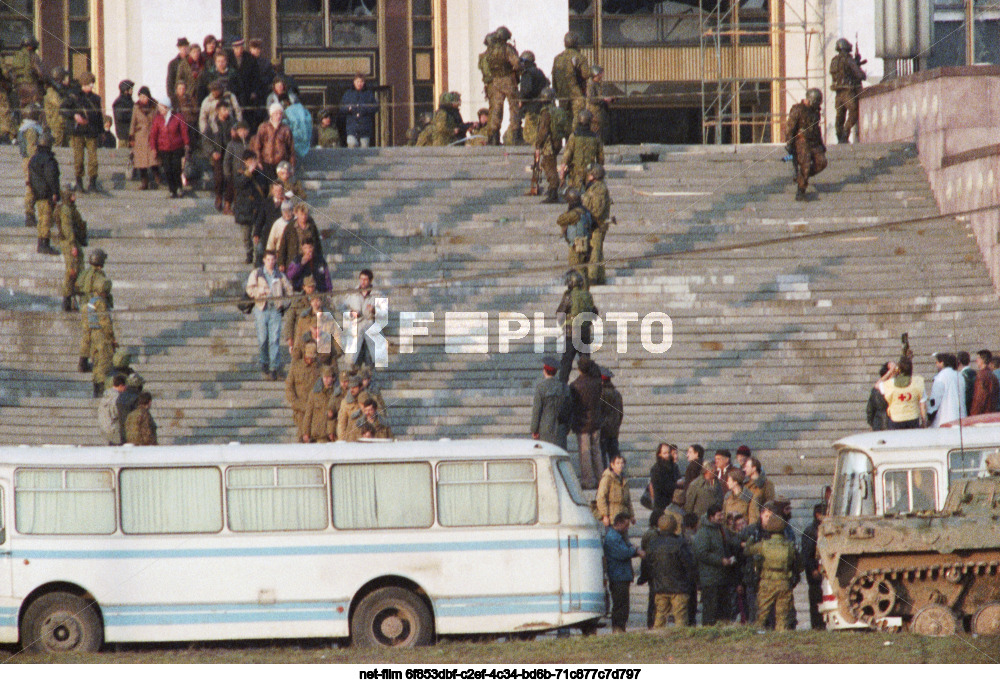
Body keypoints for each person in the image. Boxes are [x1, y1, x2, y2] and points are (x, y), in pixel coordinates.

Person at [745, 512, 801, 631]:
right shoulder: (789, 546)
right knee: (782, 619)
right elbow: (799, 565)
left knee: (761, 617)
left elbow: (747, 551)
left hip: (767, 583)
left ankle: (759, 641)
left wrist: (750, 537)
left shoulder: (763, 545)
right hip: (784, 583)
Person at [246, 250, 294, 381]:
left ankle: (274, 367)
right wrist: (260, 291)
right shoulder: (257, 273)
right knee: (263, 338)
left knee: (274, 339)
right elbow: (249, 289)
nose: (271, 262)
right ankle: (264, 361)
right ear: (264, 260)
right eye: (268, 259)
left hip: (275, 310)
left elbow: (289, 290)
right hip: (262, 308)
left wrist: (284, 303)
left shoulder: (279, 275)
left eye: (273, 260)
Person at [647, 514, 696, 629]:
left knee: (659, 619)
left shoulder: (653, 543)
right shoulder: (680, 543)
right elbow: (689, 565)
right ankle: (680, 644)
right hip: (679, 588)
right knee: (680, 620)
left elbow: (649, 565)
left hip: (660, 587)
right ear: (675, 527)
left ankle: (656, 643)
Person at [692, 503, 737, 626]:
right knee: (711, 611)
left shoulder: (722, 529)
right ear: (711, 517)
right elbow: (701, 553)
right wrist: (720, 560)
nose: (722, 517)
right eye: (719, 515)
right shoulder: (704, 532)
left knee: (724, 611)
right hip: (710, 579)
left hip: (723, 578)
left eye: (722, 514)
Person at [603, 513, 643, 633]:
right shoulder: (612, 537)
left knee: (624, 605)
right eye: (626, 526)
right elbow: (623, 553)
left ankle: (621, 628)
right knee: (620, 605)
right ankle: (618, 629)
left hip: (623, 575)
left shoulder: (620, 536)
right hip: (617, 576)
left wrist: (633, 549)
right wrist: (635, 550)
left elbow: (628, 547)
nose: (627, 528)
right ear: (618, 523)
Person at [785, 88, 827, 201]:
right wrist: (789, 142)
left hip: (814, 141)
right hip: (801, 141)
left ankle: (802, 176)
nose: (818, 104)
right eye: (817, 101)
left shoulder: (815, 111)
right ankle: (801, 190)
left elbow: (817, 129)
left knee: (822, 162)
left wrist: (821, 144)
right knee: (805, 165)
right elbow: (790, 127)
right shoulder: (798, 109)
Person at [340, 268, 387, 369]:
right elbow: (342, 308)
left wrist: (374, 311)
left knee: (370, 360)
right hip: (356, 328)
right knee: (353, 360)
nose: (362, 282)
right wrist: (351, 314)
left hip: (370, 327)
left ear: (370, 280)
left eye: (365, 279)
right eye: (361, 279)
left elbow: (384, 313)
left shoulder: (378, 294)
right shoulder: (352, 293)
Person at [569, 355, 603, 489]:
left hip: (582, 423)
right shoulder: (597, 383)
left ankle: (588, 480)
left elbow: (573, 405)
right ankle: (601, 478)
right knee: (597, 451)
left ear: (579, 369)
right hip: (596, 421)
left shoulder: (575, 385)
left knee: (585, 453)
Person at [483, 27, 521, 145]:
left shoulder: (490, 50)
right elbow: (516, 63)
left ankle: (493, 137)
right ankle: (516, 135)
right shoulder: (507, 49)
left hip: (495, 82)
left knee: (496, 109)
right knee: (514, 107)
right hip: (508, 79)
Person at [149, 94, 190, 198]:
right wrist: (153, 148)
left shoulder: (178, 117)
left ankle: (179, 187)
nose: (159, 109)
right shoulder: (158, 119)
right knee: (167, 169)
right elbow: (153, 134)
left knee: (176, 168)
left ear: (166, 107)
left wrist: (186, 143)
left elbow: (184, 131)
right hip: (164, 148)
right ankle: (172, 189)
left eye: (161, 107)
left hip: (176, 147)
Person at [27, 128, 61, 256]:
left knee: (41, 219)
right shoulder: (48, 160)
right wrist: (55, 192)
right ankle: (44, 244)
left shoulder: (34, 159)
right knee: (46, 220)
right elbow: (51, 177)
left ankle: (41, 243)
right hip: (46, 194)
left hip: (38, 193)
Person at [533, 88, 570, 203]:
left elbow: (543, 130)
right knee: (549, 162)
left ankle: (553, 191)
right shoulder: (559, 111)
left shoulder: (546, 112)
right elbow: (566, 127)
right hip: (558, 141)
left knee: (548, 165)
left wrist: (538, 144)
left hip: (549, 142)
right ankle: (553, 189)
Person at [55, 182, 88, 311]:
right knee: (72, 270)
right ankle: (67, 301)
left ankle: (72, 300)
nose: (75, 196)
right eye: (72, 194)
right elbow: (67, 229)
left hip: (73, 242)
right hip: (70, 243)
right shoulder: (66, 210)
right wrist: (73, 245)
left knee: (77, 269)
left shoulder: (70, 208)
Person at [68, 72, 102, 192]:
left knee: (93, 158)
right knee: (79, 158)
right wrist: (74, 115)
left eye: (92, 83)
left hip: (91, 131)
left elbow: (99, 116)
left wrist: (101, 132)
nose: (92, 86)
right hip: (78, 132)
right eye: (89, 84)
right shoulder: (73, 96)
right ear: (83, 84)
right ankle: (79, 182)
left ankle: (92, 182)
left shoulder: (96, 98)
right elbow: (63, 110)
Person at [829, 38, 866, 144]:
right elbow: (859, 74)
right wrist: (860, 70)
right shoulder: (848, 59)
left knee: (840, 115)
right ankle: (845, 133)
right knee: (854, 111)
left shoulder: (834, 60)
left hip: (838, 93)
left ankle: (839, 136)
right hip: (848, 92)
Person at [233, 150, 267, 264]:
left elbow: (265, 189)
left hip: (257, 209)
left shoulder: (261, 173)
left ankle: (258, 255)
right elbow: (239, 184)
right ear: (245, 162)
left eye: (254, 160)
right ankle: (249, 253)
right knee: (246, 236)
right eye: (249, 161)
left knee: (257, 234)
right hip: (244, 209)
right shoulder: (240, 173)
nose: (252, 162)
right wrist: (248, 172)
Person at [530, 355, 570, 449]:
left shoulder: (541, 387)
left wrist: (534, 430)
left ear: (544, 370)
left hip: (545, 429)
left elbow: (537, 410)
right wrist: (566, 428)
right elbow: (569, 410)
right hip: (560, 429)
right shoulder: (564, 387)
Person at [582, 163, 612, 285]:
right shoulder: (593, 187)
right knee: (598, 251)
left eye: (590, 173)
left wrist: (590, 220)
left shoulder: (599, 189)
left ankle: (592, 277)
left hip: (597, 224)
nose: (588, 175)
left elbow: (598, 210)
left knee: (594, 250)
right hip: (594, 222)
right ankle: (600, 276)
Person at [876, 357, 926, 428]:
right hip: (913, 419)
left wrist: (890, 371)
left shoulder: (890, 384)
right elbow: (922, 405)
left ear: (898, 370)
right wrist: (924, 421)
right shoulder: (918, 382)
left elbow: (877, 385)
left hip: (896, 419)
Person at [557, 189, 593, 287]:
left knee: (577, 269)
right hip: (584, 243)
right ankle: (585, 290)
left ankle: (581, 292)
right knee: (583, 269)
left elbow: (560, 220)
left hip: (576, 245)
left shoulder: (574, 214)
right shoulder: (585, 211)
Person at [560, 110, 604, 190]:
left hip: (576, 172)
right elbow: (600, 157)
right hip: (591, 171)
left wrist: (563, 170)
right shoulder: (596, 137)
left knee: (575, 194)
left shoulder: (574, 136)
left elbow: (567, 154)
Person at [87, 280, 116, 398]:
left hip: (94, 333)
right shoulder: (101, 302)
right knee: (104, 360)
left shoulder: (92, 300)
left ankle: (96, 386)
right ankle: (100, 388)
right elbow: (105, 321)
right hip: (102, 334)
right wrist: (111, 337)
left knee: (97, 361)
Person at [204, 99, 235, 211]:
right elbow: (206, 140)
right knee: (219, 178)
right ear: (218, 111)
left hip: (230, 156)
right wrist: (212, 152)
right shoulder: (212, 124)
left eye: (227, 109)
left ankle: (228, 203)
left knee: (230, 179)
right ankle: (218, 196)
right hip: (218, 156)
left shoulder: (233, 123)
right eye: (224, 109)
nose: (226, 111)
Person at [287, 342, 321, 441]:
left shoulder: (319, 367)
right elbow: (289, 386)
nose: (310, 360)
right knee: (302, 436)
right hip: (300, 408)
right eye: (308, 357)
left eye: (312, 358)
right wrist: (295, 402)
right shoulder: (296, 367)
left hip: (315, 408)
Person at [552, 31, 589, 121]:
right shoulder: (580, 57)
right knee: (579, 121)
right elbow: (586, 75)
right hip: (576, 95)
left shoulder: (557, 58)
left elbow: (554, 78)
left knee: (564, 121)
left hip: (562, 96)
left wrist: (556, 92)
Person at [252, 102, 296, 178]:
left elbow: (291, 149)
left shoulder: (286, 129)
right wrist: (258, 161)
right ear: (271, 114)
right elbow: (257, 146)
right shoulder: (263, 127)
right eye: (276, 113)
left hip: (281, 163)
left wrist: (292, 165)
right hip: (266, 163)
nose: (278, 116)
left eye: (280, 114)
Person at [18, 103, 44, 228]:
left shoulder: (24, 126)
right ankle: (29, 215)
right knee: (31, 188)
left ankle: (30, 214)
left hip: (28, 160)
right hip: (31, 161)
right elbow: (32, 147)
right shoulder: (31, 129)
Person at [801, 503, 826, 630]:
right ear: (818, 515)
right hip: (815, 572)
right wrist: (813, 570)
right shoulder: (811, 531)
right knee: (816, 598)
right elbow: (807, 554)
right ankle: (817, 625)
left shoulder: (823, 528)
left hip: (822, 570)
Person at [278, 203, 323, 271]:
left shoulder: (311, 226)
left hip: (310, 261)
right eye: (301, 214)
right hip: (295, 261)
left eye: (305, 214)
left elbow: (317, 244)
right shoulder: (290, 227)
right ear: (296, 214)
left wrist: (319, 259)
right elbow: (283, 245)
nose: (303, 217)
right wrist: (281, 263)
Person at [517, 51, 549, 145]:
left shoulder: (527, 73)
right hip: (541, 107)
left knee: (530, 136)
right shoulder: (539, 72)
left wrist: (521, 100)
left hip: (531, 109)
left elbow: (526, 90)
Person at [596, 453, 635, 528]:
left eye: (622, 463)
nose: (620, 465)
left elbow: (628, 499)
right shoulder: (607, 478)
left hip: (623, 518)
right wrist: (605, 515)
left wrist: (631, 515)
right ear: (612, 465)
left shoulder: (624, 480)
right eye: (617, 463)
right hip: (612, 518)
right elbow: (601, 497)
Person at [928, 352, 966, 427]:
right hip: (960, 418)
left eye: (937, 362)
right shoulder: (960, 376)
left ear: (942, 363)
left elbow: (934, 401)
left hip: (944, 420)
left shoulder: (940, 377)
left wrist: (929, 418)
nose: (936, 365)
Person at [302, 365, 339, 443]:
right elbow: (308, 413)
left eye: (328, 377)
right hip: (319, 433)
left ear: (333, 378)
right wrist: (306, 432)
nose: (326, 379)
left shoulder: (337, 393)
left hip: (334, 433)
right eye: (325, 377)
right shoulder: (314, 393)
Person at [341, 73, 378, 148]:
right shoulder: (348, 94)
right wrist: (349, 109)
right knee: (352, 146)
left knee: (364, 149)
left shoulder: (369, 94)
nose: (359, 84)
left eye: (361, 82)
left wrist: (364, 110)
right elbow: (341, 108)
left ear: (364, 83)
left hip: (365, 129)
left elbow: (375, 107)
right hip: (352, 128)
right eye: (357, 82)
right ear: (354, 82)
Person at [598, 366, 622, 468]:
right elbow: (620, 413)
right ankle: (618, 474)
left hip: (603, 430)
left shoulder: (600, 393)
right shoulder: (617, 394)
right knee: (614, 455)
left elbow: (599, 412)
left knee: (602, 457)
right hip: (613, 430)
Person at [11, 36, 44, 106]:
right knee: (36, 106)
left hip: (19, 87)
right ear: (31, 46)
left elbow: (13, 72)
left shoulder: (16, 55)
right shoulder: (34, 56)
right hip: (31, 87)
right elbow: (41, 73)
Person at [98, 374, 128, 446]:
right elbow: (117, 413)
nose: (126, 388)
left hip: (105, 427)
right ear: (121, 385)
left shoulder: (106, 396)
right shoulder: (117, 398)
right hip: (115, 429)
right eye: (125, 386)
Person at [649, 443, 678, 514]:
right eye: (664, 453)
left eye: (668, 452)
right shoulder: (656, 469)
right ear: (659, 454)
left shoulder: (674, 466)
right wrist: (677, 484)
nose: (667, 455)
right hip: (661, 506)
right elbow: (660, 487)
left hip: (673, 504)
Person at [585, 65, 612, 142]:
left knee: (600, 131)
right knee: (595, 131)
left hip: (599, 111)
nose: (601, 75)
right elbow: (591, 99)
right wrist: (603, 99)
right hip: (594, 112)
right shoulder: (590, 84)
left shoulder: (597, 84)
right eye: (600, 73)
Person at [971, 348, 1000, 415]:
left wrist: (973, 415)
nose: (976, 360)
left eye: (978, 358)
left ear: (983, 360)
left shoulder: (981, 376)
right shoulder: (992, 375)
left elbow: (979, 399)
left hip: (982, 414)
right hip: (992, 412)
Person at [866, 362, 890, 430]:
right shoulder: (892, 389)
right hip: (890, 423)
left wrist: (871, 423)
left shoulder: (875, 390)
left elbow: (869, 409)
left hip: (877, 423)